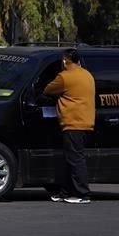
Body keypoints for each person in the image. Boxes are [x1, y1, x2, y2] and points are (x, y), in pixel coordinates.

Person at [44, 48, 96, 204]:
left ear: (65, 61)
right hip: (85, 121)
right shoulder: (87, 75)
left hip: (73, 122)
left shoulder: (65, 77)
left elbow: (48, 89)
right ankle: (66, 191)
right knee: (69, 159)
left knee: (75, 159)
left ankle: (82, 193)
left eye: (63, 60)